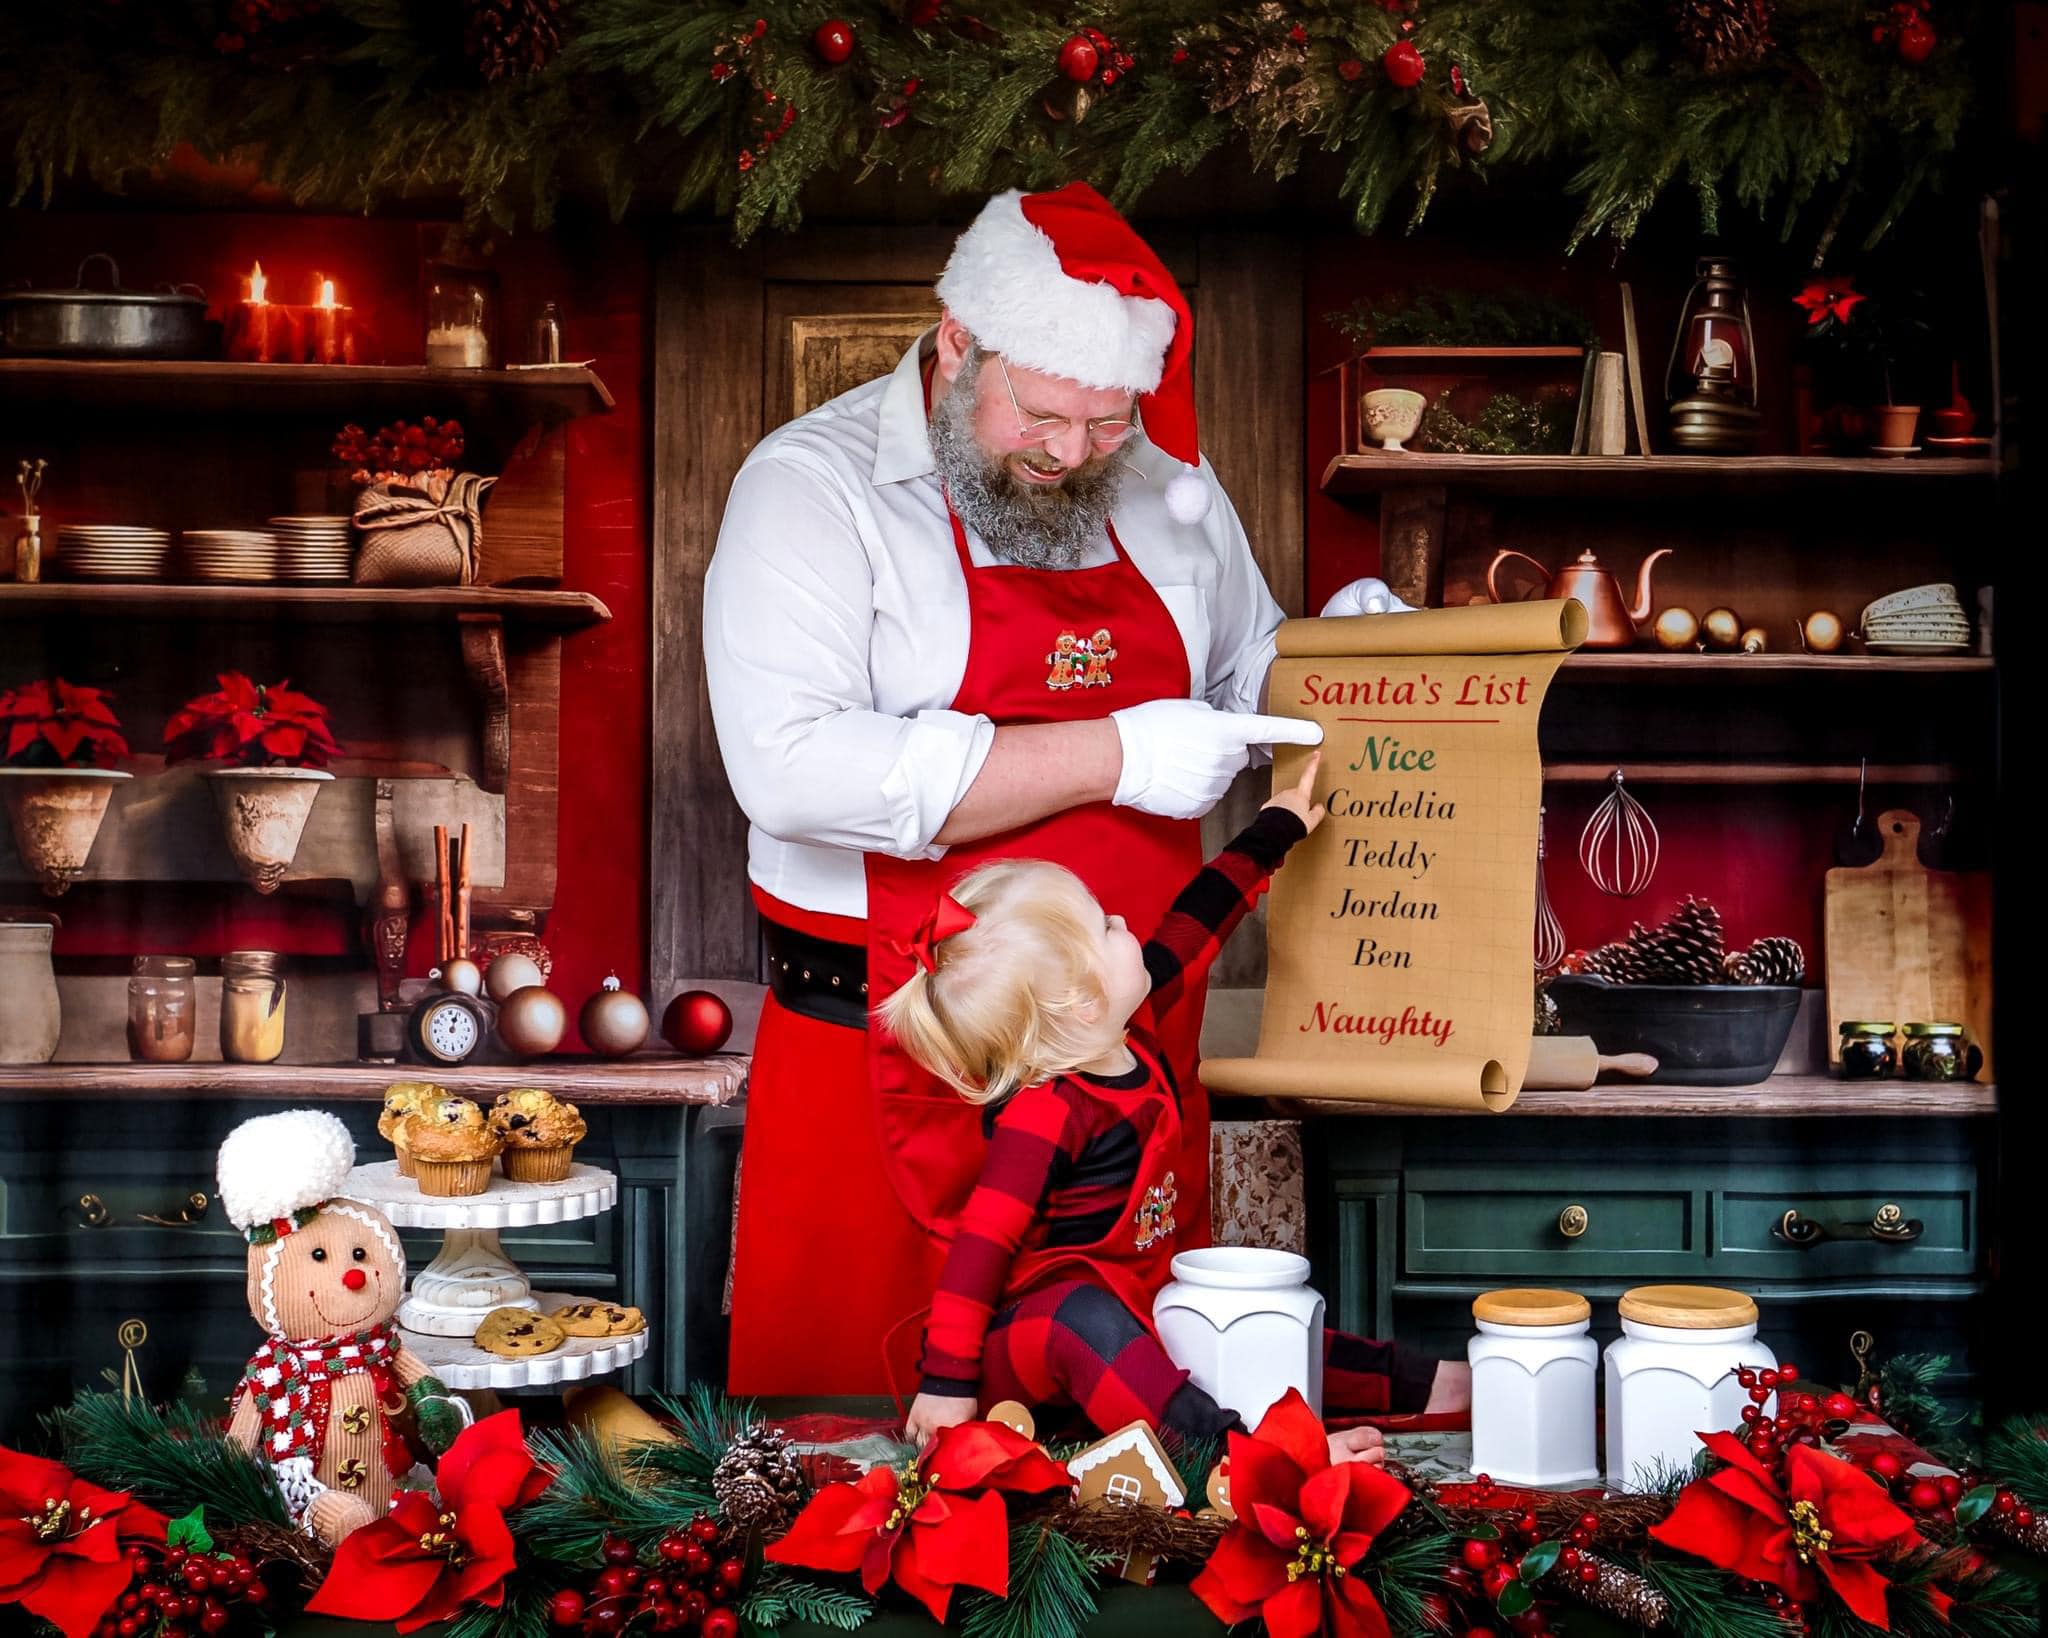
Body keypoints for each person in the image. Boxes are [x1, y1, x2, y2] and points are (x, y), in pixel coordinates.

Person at [706, 180, 1410, 1395]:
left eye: (1106, 421)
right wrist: (1117, 754)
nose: (1073, 454)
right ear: (955, 341)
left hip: (1127, 1068)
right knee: (864, 1454)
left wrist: (1342, 653)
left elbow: (1249, 666)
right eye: (1040, 415)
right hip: (900, 1066)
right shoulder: (808, 489)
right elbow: (789, 766)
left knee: (1126, 1434)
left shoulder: (1161, 490)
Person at [883, 751, 1470, 1459]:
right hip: (1029, 1348)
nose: (1126, 922)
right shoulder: (1045, 1113)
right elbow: (979, 1250)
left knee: (1254, 1316)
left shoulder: (1127, 1027)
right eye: (1106, 928)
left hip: (1134, 1303)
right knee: (1083, 1317)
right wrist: (947, 1383)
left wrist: (1272, 832)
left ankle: (1428, 1384)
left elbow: (1196, 926)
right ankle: (1247, 1460)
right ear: (1080, 1002)